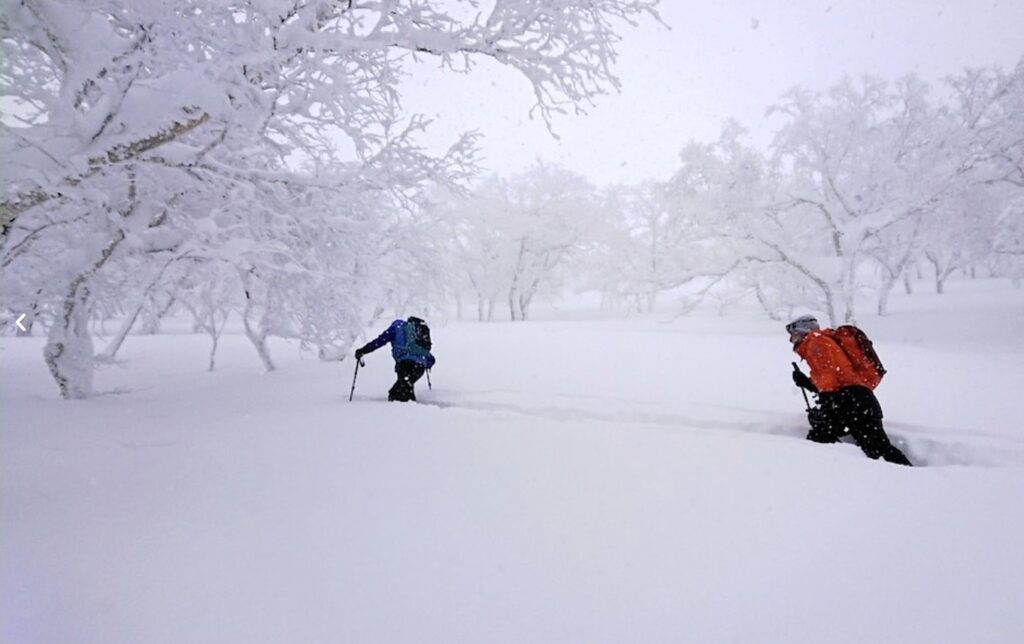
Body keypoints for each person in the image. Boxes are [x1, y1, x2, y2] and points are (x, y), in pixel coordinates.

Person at [787, 314, 912, 466]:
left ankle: (909, 477)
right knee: (874, 447)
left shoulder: (815, 342)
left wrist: (826, 405)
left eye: (793, 334)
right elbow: (836, 376)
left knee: (826, 438)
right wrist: (806, 382)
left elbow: (829, 375)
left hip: (852, 401)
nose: (791, 339)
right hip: (857, 400)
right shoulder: (822, 341)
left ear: (802, 330)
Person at [355, 317, 435, 402]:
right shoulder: (415, 339)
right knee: (402, 390)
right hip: (419, 368)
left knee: (400, 393)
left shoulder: (395, 328)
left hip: (404, 365)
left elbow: (379, 342)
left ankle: (406, 410)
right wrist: (425, 364)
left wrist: (363, 350)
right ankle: (409, 408)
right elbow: (430, 358)